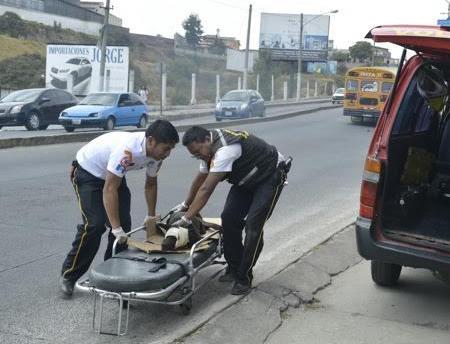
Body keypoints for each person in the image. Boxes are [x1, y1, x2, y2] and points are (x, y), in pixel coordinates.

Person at [59, 120, 180, 298]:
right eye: (166, 148)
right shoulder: (127, 151)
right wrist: (115, 229)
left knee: (125, 225)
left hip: (114, 176)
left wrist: (151, 215)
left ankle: (113, 278)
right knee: (95, 225)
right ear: (151, 141)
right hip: (88, 173)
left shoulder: (156, 156)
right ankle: (68, 276)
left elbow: (151, 185)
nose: (168, 154)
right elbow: (109, 189)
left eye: (171, 149)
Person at [173, 126, 290, 295]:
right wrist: (185, 204)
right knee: (229, 219)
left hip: (270, 176)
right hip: (246, 180)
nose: (200, 156)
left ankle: (243, 278)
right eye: (195, 155)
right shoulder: (207, 149)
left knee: (253, 227)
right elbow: (200, 178)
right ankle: (234, 268)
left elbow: (206, 189)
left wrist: (187, 218)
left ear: (207, 139)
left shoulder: (226, 149)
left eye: (199, 152)